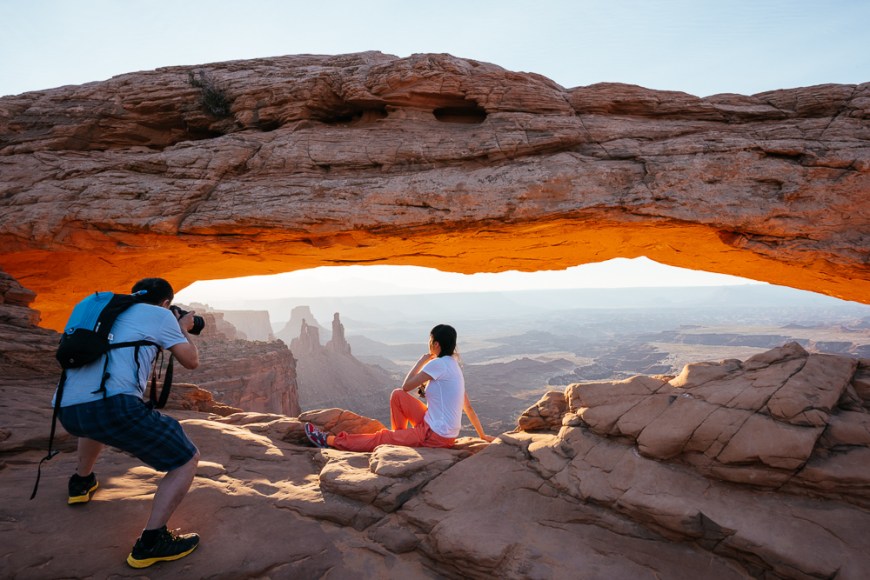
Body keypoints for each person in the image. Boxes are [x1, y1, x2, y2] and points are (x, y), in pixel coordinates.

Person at [55, 278, 202, 569]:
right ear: (164, 303)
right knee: (186, 458)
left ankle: (81, 483)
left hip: (67, 410)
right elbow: (191, 361)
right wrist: (182, 328)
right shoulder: (160, 314)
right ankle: (152, 542)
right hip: (114, 407)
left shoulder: (98, 310)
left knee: (94, 424)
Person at [305, 324, 494, 451]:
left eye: (430, 340)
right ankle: (401, 437)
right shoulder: (453, 365)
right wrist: (482, 435)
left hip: (435, 435)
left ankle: (330, 441)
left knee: (381, 437)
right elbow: (467, 407)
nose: (428, 344)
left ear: (436, 344)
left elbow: (406, 386)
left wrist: (421, 361)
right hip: (437, 427)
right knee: (396, 396)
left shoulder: (437, 364)